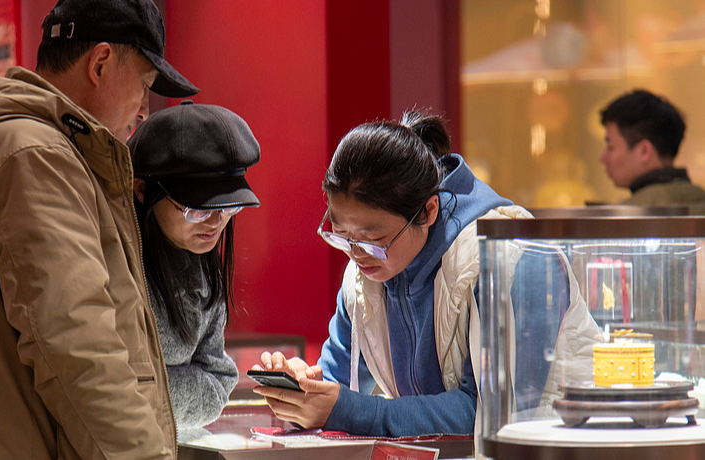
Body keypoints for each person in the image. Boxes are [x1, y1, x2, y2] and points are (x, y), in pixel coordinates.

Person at [0, 0, 198, 458]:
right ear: (99, 63)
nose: (143, 109)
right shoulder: (35, 155)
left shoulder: (18, 147)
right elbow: (79, 353)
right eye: (145, 84)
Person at [252, 111, 532, 437]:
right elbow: (337, 381)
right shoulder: (365, 275)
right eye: (343, 236)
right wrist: (304, 389)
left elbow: (488, 411)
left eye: (373, 241)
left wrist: (351, 411)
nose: (356, 255)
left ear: (428, 212)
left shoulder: (503, 258)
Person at [127, 102, 260, 428]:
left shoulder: (204, 267)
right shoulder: (118, 266)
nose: (216, 222)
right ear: (141, 190)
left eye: (229, 208)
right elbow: (117, 389)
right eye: (197, 209)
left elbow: (220, 382)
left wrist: (155, 384)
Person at [600, 89, 705, 213]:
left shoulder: (630, 216)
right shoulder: (699, 197)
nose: (603, 158)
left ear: (645, 151)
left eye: (611, 147)